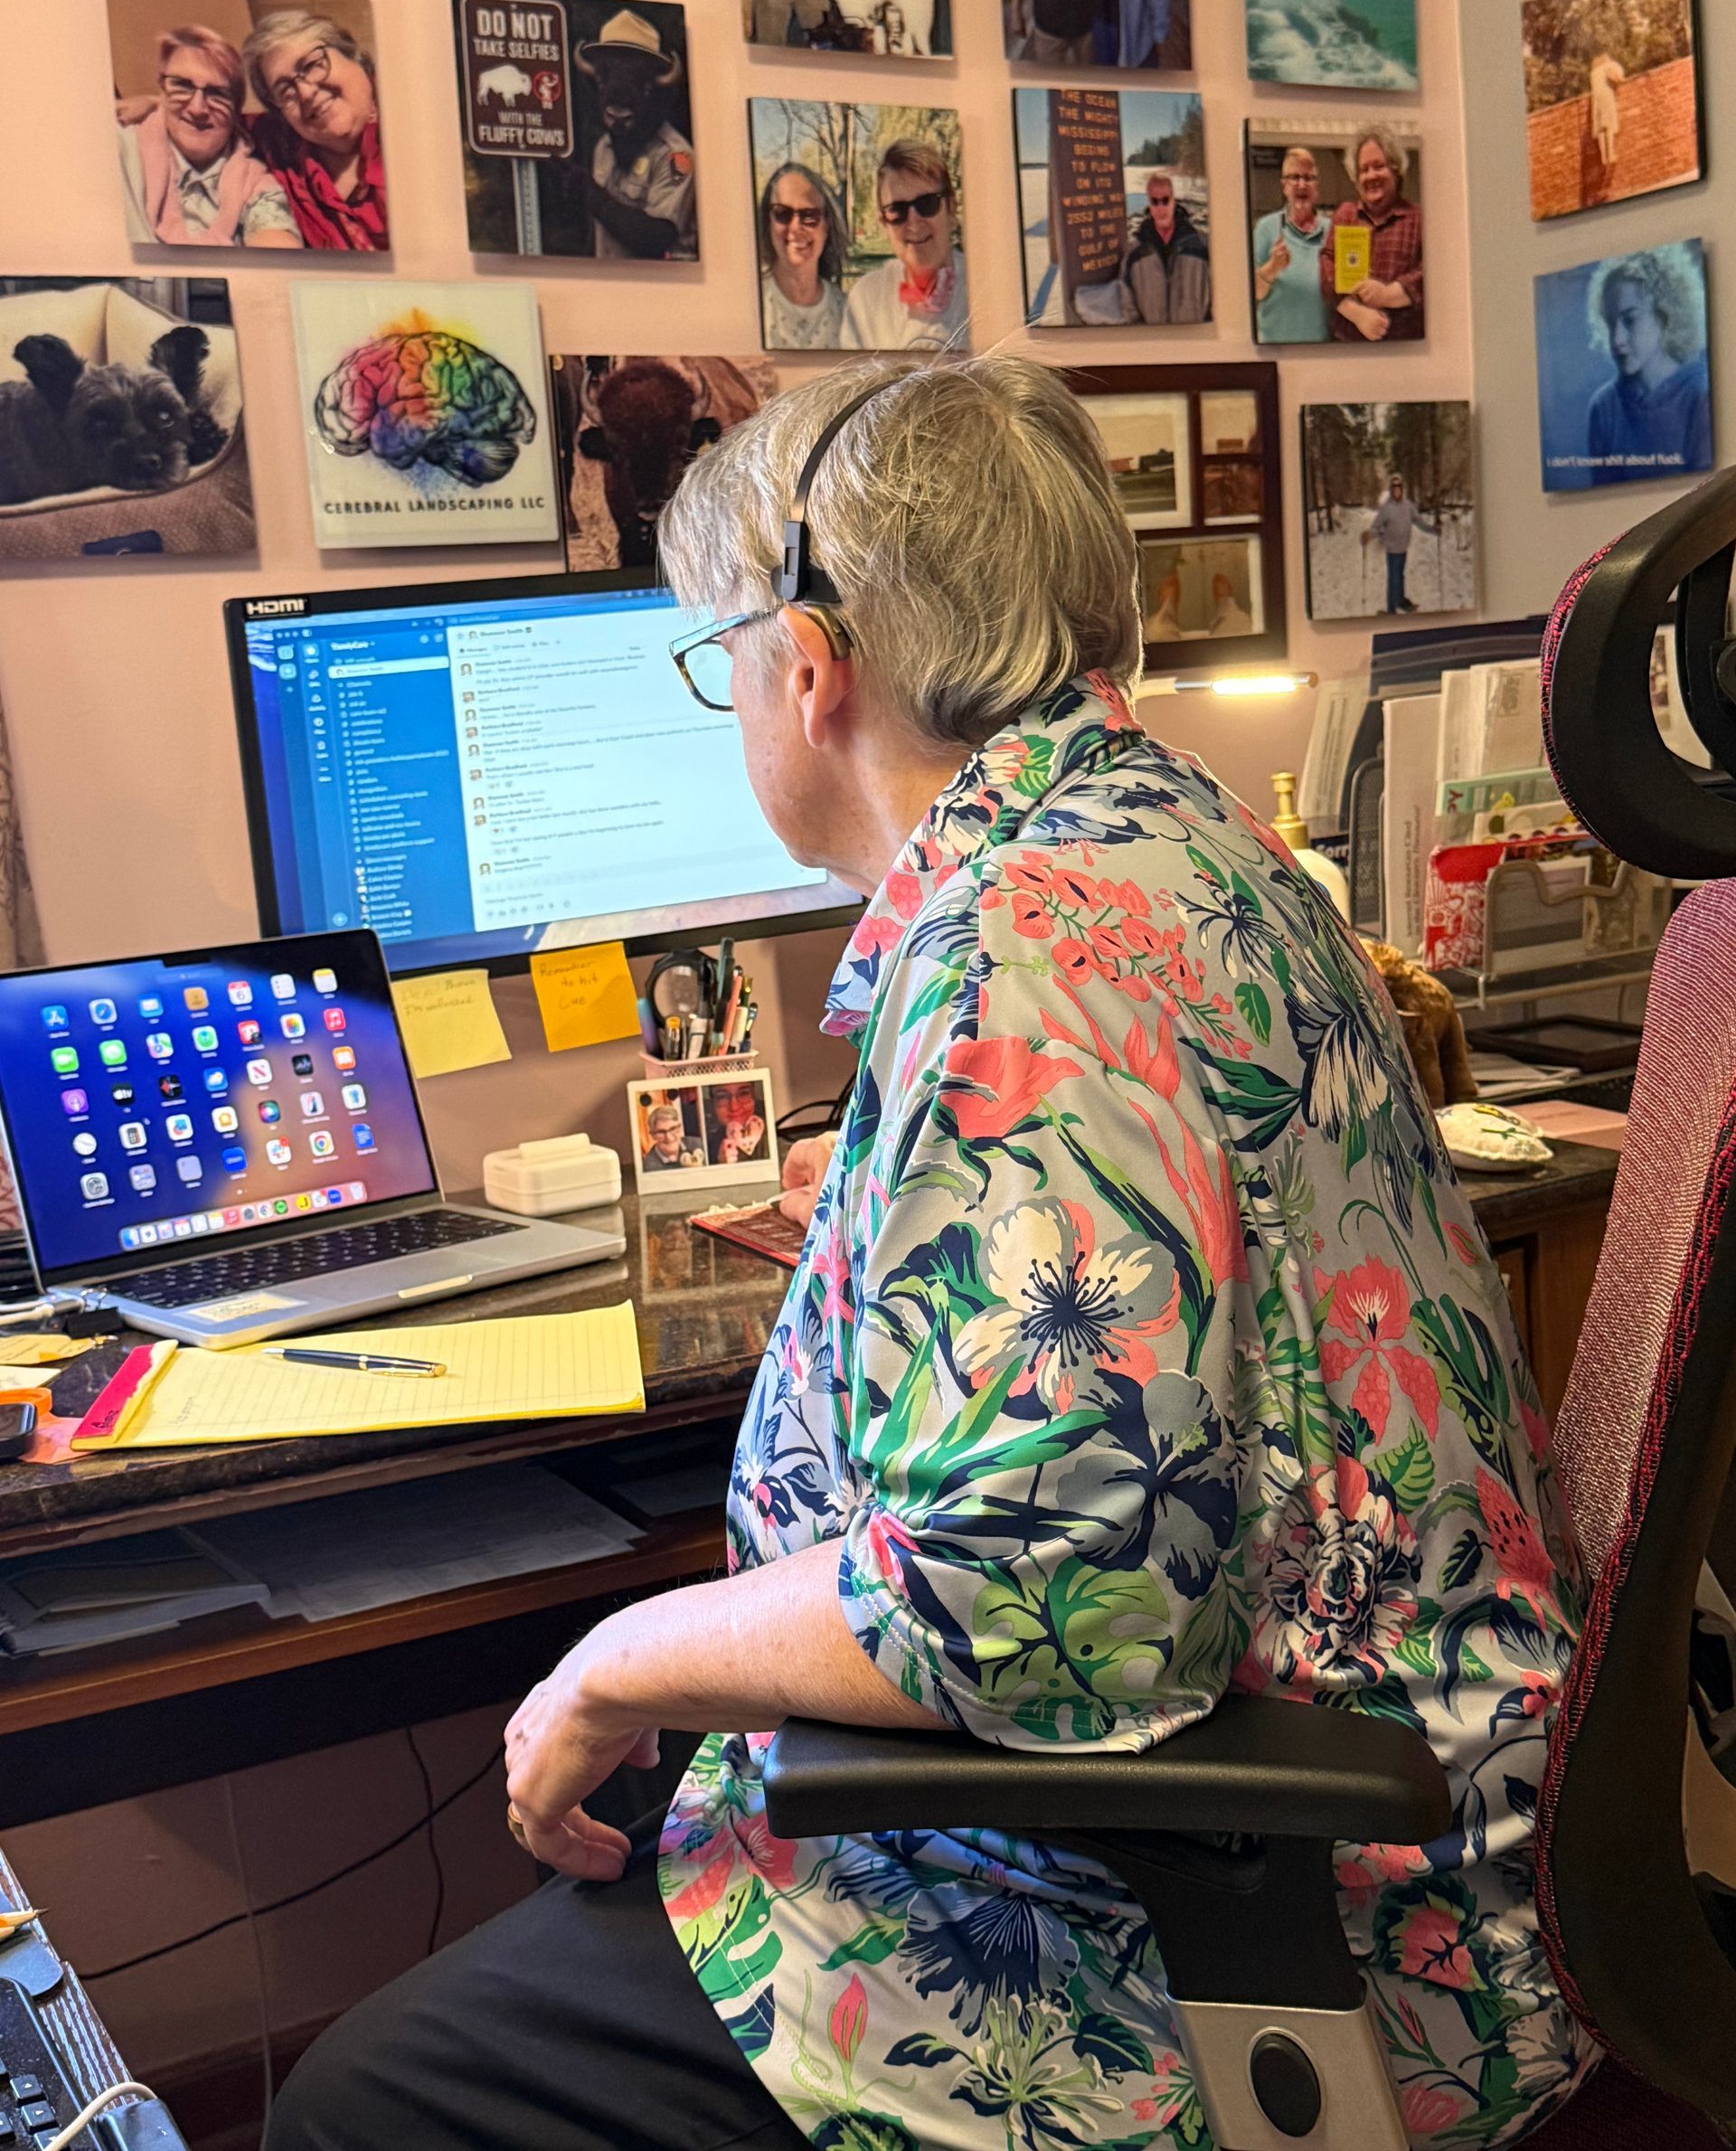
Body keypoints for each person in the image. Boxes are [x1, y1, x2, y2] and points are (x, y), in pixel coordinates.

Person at [268, 354, 1593, 2151]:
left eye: (715, 658)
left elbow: (1043, 1590)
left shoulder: (1029, 958)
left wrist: (624, 1657)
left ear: (807, 669)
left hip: (1257, 1916)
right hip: (1385, 1809)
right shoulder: (1160, 835)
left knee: (370, 2092)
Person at [116, 25, 300, 249]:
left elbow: (277, 260)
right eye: (182, 86)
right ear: (162, 91)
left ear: (236, 109)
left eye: (218, 94)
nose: (197, 108)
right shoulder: (117, 151)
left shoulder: (255, 183)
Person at [241, 10, 388, 252]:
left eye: (311, 65)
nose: (306, 93)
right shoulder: (282, 150)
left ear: (353, 57)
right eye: (285, 89)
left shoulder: (414, 117)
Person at [572, 10, 696, 262]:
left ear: (656, 91)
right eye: (604, 79)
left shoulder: (674, 155)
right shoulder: (604, 147)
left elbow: (657, 238)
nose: (618, 100)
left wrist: (593, 198)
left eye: (642, 84)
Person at [1585, 248, 1712, 484]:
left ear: (1664, 316)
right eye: (1611, 323)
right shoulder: (1603, 408)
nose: (1617, 339)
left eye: (1629, 320)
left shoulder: (1700, 395)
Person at [840, 139, 968, 350]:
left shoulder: (986, 288)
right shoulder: (865, 300)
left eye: (927, 204)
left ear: (951, 209)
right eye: (897, 210)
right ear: (884, 223)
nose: (914, 221)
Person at [1320, 122, 1423, 343]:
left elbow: (1432, 274)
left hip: (1406, 352)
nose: (1370, 176)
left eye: (1378, 166)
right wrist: (1357, 313)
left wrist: (1388, 295)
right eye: (1364, 170)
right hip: (1345, 347)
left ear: (1396, 170)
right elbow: (1326, 266)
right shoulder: (1344, 216)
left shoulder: (1418, 218)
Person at [756, 164, 846, 350]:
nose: (796, 227)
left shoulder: (848, 312)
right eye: (782, 214)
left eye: (809, 216)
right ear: (767, 222)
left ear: (827, 226)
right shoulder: (749, 304)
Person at [1251, 144, 1330, 343]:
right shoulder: (1265, 228)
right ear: (1284, 186)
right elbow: (1254, 293)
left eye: (1308, 178)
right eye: (1294, 177)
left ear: (1317, 188)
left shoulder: (1333, 231)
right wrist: (1272, 268)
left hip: (1322, 351)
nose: (1301, 184)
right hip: (1275, 349)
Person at [1118, 171, 1212, 324]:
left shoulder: (1202, 245)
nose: (1161, 208)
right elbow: (1127, 304)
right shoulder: (1135, 252)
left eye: (1165, 200)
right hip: (1153, 344)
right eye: (1155, 201)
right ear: (1149, 204)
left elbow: (1220, 297)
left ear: (1174, 201)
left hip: (1196, 341)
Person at [1363, 472, 1425, 612]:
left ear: (1402, 489)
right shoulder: (1386, 508)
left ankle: (1401, 601)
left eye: (1399, 487)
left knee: (1401, 576)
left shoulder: (1408, 506)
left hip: (1403, 549)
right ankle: (1391, 608)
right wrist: (1368, 535)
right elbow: (1376, 527)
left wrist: (1433, 530)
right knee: (1393, 579)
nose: (1397, 490)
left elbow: (1419, 522)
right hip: (1392, 550)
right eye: (1394, 488)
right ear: (1391, 490)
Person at [1589, 52, 1626, 175]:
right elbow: (1614, 77)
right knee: (1608, 126)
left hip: (1596, 99)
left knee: (1600, 129)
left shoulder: (1593, 73)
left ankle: (1603, 158)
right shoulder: (1607, 67)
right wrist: (1621, 80)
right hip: (1606, 95)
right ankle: (1610, 155)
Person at [640, 1100, 702, 1172]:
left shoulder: (699, 1145)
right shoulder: (648, 1166)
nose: (669, 1137)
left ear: (680, 1128)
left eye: (673, 1129)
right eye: (661, 1132)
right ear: (653, 1135)